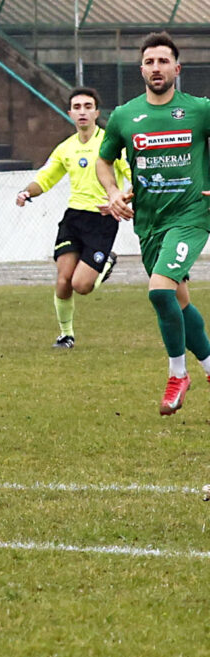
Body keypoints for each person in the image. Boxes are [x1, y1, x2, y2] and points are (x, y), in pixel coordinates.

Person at [97, 32, 210, 416]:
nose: (156, 68)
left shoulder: (199, 110)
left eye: (164, 61)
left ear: (177, 68)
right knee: (178, 300)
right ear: (141, 69)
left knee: (159, 291)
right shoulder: (124, 116)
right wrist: (113, 192)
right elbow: (104, 160)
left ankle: (178, 374)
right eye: (150, 62)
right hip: (148, 221)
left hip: (191, 216)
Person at [15, 87, 129, 349]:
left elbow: (130, 172)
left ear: (97, 113)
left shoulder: (110, 144)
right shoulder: (65, 148)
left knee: (81, 285)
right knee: (63, 278)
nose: (82, 112)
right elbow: (46, 178)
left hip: (102, 219)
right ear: (69, 113)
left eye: (88, 106)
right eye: (77, 107)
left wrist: (123, 198)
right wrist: (26, 192)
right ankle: (66, 335)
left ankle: (106, 264)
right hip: (74, 219)